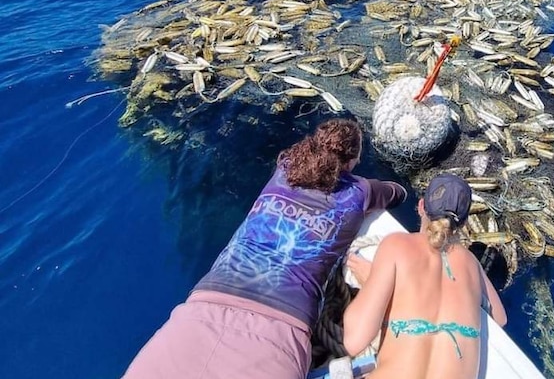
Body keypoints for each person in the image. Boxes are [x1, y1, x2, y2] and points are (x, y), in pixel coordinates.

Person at [123, 118, 407, 379]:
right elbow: (397, 193)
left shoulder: (285, 167)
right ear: (354, 159)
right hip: (281, 327)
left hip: (204, 304)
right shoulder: (360, 191)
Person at [342, 173, 507, 379]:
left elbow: (354, 340)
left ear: (421, 206)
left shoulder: (396, 245)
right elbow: (499, 319)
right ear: (463, 223)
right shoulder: (473, 264)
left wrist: (371, 285)